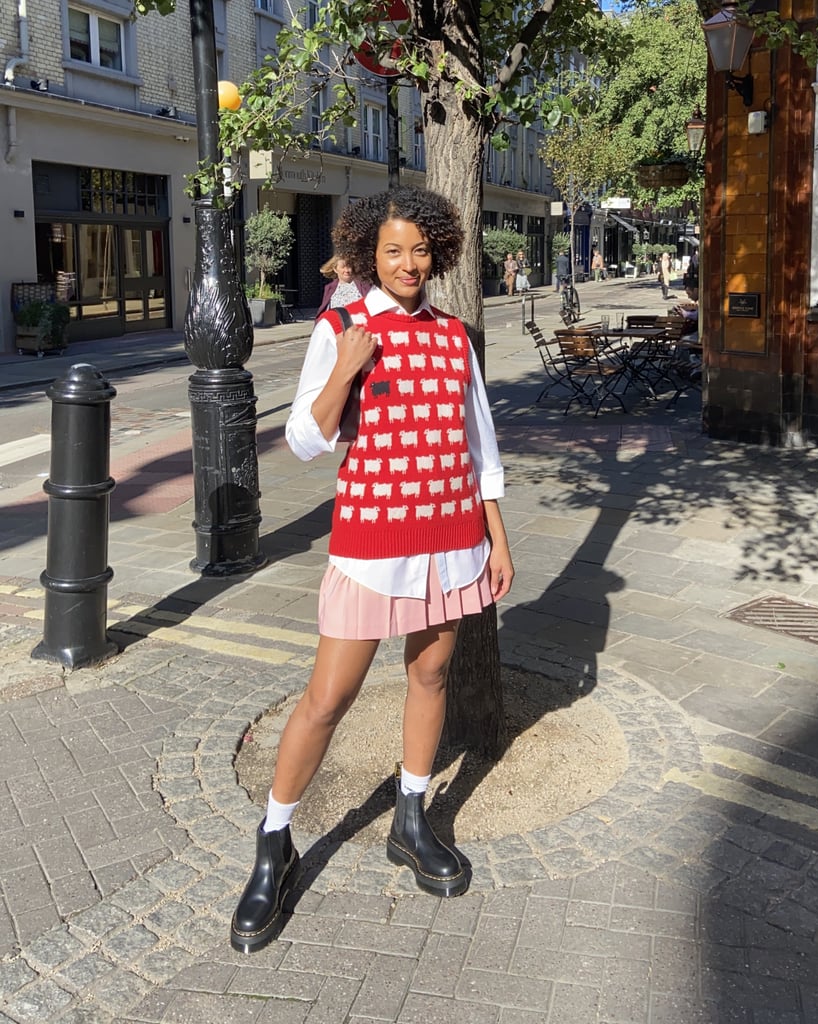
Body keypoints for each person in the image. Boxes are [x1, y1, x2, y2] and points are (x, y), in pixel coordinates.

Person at [231, 185, 515, 955]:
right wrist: (344, 368)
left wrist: (497, 536)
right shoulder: (344, 325)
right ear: (367, 255)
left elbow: (479, 443)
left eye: (420, 249)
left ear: (438, 254)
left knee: (429, 679)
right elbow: (303, 439)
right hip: (371, 541)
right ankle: (274, 842)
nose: (408, 263)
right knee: (326, 699)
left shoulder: (455, 336)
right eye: (393, 250)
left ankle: (411, 818)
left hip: (452, 534)